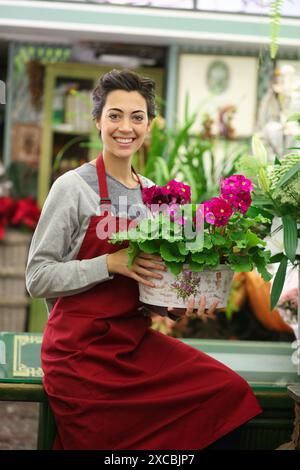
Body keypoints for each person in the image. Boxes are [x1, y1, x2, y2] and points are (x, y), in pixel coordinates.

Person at [26, 69, 262, 450]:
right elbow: (37, 277)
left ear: (149, 125)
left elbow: (154, 284)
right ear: (98, 120)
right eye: (115, 115)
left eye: (137, 117)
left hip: (135, 343)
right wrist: (109, 263)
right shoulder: (72, 187)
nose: (126, 127)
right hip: (80, 354)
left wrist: (179, 303)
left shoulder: (156, 195)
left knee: (227, 393)